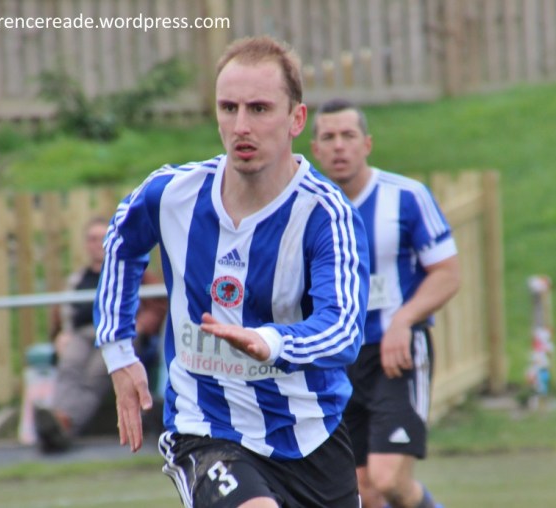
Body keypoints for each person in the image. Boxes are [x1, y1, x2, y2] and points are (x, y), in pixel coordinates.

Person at [93, 36, 370, 508]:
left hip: (310, 433)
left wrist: (271, 342)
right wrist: (118, 353)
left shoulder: (326, 215)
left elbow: (342, 327)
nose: (241, 126)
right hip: (206, 428)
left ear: (296, 119)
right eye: (229, 108)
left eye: (259, 109)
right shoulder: (172, 193)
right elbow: (121, 242)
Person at [311, 98, 460, 508]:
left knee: (389, 480)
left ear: (367, 144)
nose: (339, 146)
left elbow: (448, 273)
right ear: (315, 149)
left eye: (348, 135)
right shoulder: (306, 208)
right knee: (362, 490)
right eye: (328, 137)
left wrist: (403, 320)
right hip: (337, 361)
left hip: (396, 354)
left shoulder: (407, 196)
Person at [34, 216, 167, 453]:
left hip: (119, 334)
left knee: (95, 374)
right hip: (82, 333)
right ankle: (58, 418)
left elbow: (158, 304)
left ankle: (65, 424)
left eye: (101, 238)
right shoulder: (76, 279)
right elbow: (61, 313)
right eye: (92, 239)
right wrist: (60, 336)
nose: (97, 244)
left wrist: (140, 327)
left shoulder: (132, 271)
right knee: (69, 367)